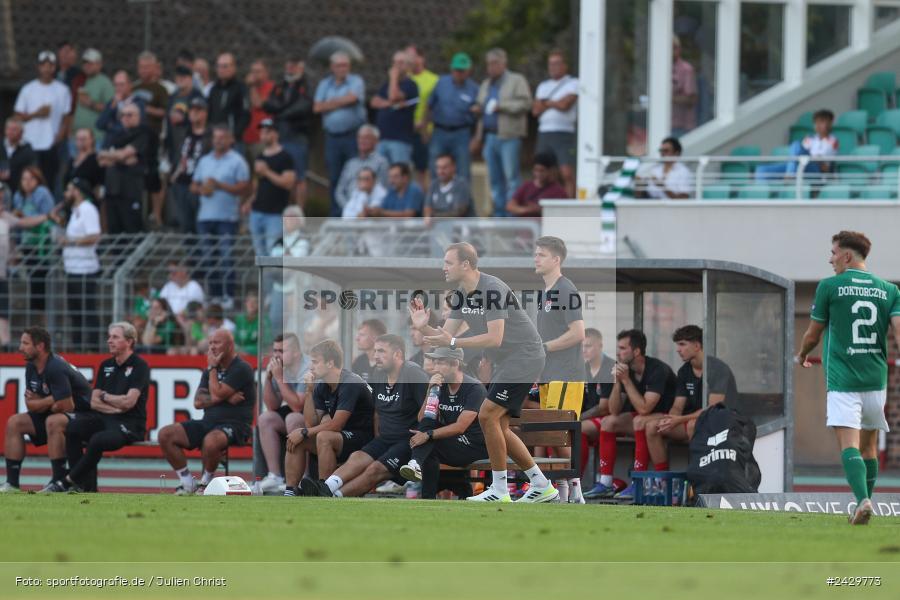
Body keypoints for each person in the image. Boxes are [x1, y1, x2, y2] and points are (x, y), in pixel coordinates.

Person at [409, 242, 556, 502]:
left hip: (525, 356)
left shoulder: (492, 289)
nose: (443, 268)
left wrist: (453, 343)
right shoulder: (460, 294)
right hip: (509, 361)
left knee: (487, 415)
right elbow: (446, 336)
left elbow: (495, 338)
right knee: (498, 423)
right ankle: (541, 484)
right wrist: (423, 328)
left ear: (465, 264)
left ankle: (500, 490)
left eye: (448, 262)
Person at [797, 231, 900, 525]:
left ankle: (862, 500)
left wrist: (802, 354)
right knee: (869, 446)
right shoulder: (889, 290)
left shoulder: (829, 286)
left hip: (843, 380)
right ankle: (864, 503)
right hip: (876, 380)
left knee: (849, 445)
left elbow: (813, 333)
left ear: (846, 256)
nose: (830, 259)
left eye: (833, 253)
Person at [301, 334, 429, 497]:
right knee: (357, 457)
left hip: (407, 441)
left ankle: (334, 496)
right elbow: (377, 411)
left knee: (374, 469)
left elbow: (428, 410)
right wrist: (377, 436)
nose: (376, 356)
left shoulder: (412, 373)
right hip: (384, 439)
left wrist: (425, 437)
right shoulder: (378, 373)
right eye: (375, 351)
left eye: (381, 351)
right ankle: (325, 487)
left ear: (397, 354)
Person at [45, 322, 150, 492]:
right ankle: (84, 487)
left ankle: (68, 481)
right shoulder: (105, 365)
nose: (109, 341)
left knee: (97, 440)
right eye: (109, 337)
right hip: (105, 418)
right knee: (73, 429)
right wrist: (115, 406)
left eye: (115, 337)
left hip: (130, 424)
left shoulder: (140, 366)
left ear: (129, 341)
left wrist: (106, 397)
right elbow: (94, 401)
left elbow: (129, 402)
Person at [158, 329, 255, 494]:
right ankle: (187, 483)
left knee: (211, 441)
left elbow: (215, 394)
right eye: (210, 343)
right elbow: (197, 402)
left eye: (217, 343)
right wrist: (225, 396)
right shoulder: (209, 371)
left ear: (230, 346)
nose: (212, 347)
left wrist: (212, 370)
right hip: (208, 422)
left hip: (236, 425)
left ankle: (205, 483)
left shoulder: (241, 368)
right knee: (165, 434)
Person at [585, 329, 677, 501]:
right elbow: (613, 410)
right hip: (645, 418)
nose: (618, 353)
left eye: (622, 348)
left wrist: (626, 380)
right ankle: (606, 482)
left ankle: (639, 482)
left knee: (640, 420)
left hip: (670, 418)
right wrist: (618, 382)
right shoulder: (627, 371)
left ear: (636, 351)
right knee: (608, 422)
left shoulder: (657, 369)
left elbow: (644, 409)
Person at [1, 327, 92, 493]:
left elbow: (67, 406)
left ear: (40, 346)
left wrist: (45, 402)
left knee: (53, 421)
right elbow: (31, 405)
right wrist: (53, 399)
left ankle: (58, 481)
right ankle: (12, 483)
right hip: (56, 412)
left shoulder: (55, 367)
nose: (20, 347)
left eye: (25, 343)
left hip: (84, 416)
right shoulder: (31, 366)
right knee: (14, 422)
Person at [283, 339, 374, 495]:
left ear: (330, 363)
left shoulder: (350, 383)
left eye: (315, 362)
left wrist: (304, 432)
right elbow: (311, 422)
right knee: (297, 440)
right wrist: (309, 391)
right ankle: (291, 491)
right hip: (342, 436)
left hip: (364, 438)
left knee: (324, 437)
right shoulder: (322, 385)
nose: (310, 367)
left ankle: (324, 489)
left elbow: (336, 425)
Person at [533, 236, 586, 503]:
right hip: (551, 373)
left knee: (559, 433)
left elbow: (578, 333)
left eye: (541, 254)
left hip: (567, 374)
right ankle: (563, 492)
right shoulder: (545, 292)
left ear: (556, 260)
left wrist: (545, 348)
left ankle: (576, 491)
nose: (535, 258)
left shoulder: (566, 289)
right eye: (536, 254)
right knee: (551, 434)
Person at [398, 346, 488, 499]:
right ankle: (418, 468)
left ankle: (424, 485)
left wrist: (427, 435)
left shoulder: (474, 388)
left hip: (474, 444)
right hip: (452, 442)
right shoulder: (440, 386)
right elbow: (422, 418)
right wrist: (430, 389)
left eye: (440, 363)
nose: (435, 368)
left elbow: (461, 427)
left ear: (455, 364)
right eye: (435, 362)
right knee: (426, 438)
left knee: (427, 443)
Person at [645, 325, 738, 472]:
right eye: (677, 345)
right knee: (652, 427)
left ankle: (697, 476)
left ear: (697, 346)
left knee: (692, 425)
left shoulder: (717, 369)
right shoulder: (684, 371)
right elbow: (677, 406)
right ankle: (662, 480)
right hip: (696, 420)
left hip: (724, 423)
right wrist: (670, 419)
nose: (678, 349)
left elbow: (712, 410)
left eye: (682, 344)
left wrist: (680, 420)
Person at [190, 125, 250, 305]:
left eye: (222, 137)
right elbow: (193, 185)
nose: (218, 140)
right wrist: (203, 190)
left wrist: (219, 185)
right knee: (208, 258)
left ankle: (228, 295)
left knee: (226, 257)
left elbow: (244, 187)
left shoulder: (237, 161)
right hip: (205, 217)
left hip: (227, 218)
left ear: (231, 139)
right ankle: (215, 294)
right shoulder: (204, 160)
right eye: (215, 137)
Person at [471, 49, 532, 217]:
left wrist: (502, 106)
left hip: (509, 137)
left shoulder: (516, 80)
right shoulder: (486, 84)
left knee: (511, 177)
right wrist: (478, 111)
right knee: (494, 179)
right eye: (489, 64)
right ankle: (500, 214)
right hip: (490, 136)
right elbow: (481, 107)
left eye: (494, 63)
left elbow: (526, 103)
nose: (491, 67)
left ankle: (513, 214)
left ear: (503, 64)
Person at [314, 51, 366, 215]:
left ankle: (354, 210)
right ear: (332, 67)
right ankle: (336, 213)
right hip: (332, 137)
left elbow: (352, 99)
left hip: (352, 136)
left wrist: (329, 103)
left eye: (345, 65)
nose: (342, 69)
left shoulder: (356, 81)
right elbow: (317, 107)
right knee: (335, 176)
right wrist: (341, 101)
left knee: (354, 175)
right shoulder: (324, 84)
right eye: (339, 65)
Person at [257, 333, 310, 494]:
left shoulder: (307, 367)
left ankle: (303, 478)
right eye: (275, 350)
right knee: (266, 418)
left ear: (296, 352)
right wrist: (268, 378)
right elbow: (272, 405)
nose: (276, 355)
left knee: (293, 418)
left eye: (281, 351)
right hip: (295, 411)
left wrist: (279, 378)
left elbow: (297, 405)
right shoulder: (280, 368)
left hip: (316, 413)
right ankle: (275, 477)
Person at [14, 51, 73, 194]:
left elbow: (67, 116)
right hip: (31, 142)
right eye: (43, 65)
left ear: (54, 67)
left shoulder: (63, 90)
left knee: (51, 180)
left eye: (50, 65)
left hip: (52, 143)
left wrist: (61, 134)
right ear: (38, 67)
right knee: (30, 179)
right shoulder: (28, 89)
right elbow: (18, 116)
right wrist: (37, 114)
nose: (47, 69)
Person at [263, 56, 314, 207]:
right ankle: (283, 208)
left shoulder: (306, 86)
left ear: (301, 67)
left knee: (298, 177)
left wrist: (281, 112)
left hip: (297, 136)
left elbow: (303, 107)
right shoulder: (280, 86)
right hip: (280, 136)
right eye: (289, 66)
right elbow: (269, 104)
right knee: (281, 175)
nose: (291, 69)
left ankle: (299, 212)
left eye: (294, 65)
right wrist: (284, 110)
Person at [59, 178, 101, 350]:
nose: (65, 194)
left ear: (77, 191)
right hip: (72, 269)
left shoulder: (88, 209)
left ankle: (92, 348)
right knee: (75, 312)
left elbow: (94, 236)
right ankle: (77, 347)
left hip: (84, 269)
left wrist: (70, 242)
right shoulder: (75, 211)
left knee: (87, 311)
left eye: (69, 189)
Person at [425, 53, 478, 182]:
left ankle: (462, 201)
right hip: (439, 132)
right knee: (435, 169)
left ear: (468, 71)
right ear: (452, 69)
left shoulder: (474, 88)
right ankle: (435, 200)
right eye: (457, 70)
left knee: (463, 172)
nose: (459, 73)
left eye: (462, 70)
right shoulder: (441, 83)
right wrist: (425, 128)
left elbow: (480, 117)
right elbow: (429, 106)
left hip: (462, 133)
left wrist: (477, 137)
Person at [245, 118, 295, 257]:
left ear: (276, 134)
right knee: (260, 253)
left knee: (273, 251)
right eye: (262, 132)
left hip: (275, 213)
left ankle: (275, 279)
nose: (264, 135)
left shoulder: (285, 157)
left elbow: (288, 183)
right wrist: (250, 201)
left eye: (268, 131)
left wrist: (267, 171)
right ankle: (265, 279)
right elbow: (258, 184)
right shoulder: (260, 157)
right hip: (257, 211)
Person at [533, 49, 578, 198]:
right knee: (544, 172)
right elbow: (536, 110)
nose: (553, 67)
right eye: (551, 64)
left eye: (557, 64)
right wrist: (555, 102)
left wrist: (547, 102)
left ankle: (570, 206)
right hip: (544, 132)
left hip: (564, 133)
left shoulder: (573, 83)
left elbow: (565, 105)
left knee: (566, 172)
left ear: (565, 66)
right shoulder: (543, 86)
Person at [97, 103, 149, 233]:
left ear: (139, 116)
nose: (125, 118)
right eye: (122, 115)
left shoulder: (142, 133)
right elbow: (101, 160)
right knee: (114, 229)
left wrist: (113, 156)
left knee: (131, 228)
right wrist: (120, 158)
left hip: (130, 189)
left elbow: (123, 155)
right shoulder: (114, 135)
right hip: (112, 189)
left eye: (129, 115)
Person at [756, 109, 838, 182]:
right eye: (816, 122)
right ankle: (766, 195)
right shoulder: (810, 139)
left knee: (796, 145)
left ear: (830, 123)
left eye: (822, 122)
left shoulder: (832, 141)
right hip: (800, 165)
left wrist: (810, 157)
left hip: (816, 170)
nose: (818, 125)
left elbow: (824, 166)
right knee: (762, 170)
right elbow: (798, 154)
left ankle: (790, 176)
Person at [579, 328, 615, 493]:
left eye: (588, 346)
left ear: (600, 346)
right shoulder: (582, 368)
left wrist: (577, 418)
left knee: (576, 427)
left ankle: (575, 481)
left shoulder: (610, 367)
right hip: (590, 420)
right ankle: (562, 480)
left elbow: (604, 408)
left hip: (612, 418)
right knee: (561, 426)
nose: (584, 350)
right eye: (582, 346)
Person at [169, 97, 211, 233]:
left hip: (200, 184)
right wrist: (173, 174)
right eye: (192, 110)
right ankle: (191, 254)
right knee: (185, 224)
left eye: (198, 110)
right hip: (182, 182)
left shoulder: (211, 135)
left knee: (201, 223)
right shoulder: (183, 132)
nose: (194, 113)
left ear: (205, 113)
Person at [371, 50, 419, 166]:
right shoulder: (386, 85)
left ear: (408, 66)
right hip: (382, 139)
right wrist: (389, 103)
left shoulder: (411, 85)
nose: (396, 66)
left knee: (398, 175)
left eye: (401, 62)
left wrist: (393, 77)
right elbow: (374, 102)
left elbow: (393, 96)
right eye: (394, 62)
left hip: (400, 140)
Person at [334, 125, 390, 214]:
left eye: (366, 138)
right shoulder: (350, 164)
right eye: (360, 137)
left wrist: (366, 210)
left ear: (376, 141)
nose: (362, 141)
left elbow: (382, 190)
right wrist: (349, 207)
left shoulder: (382, 162)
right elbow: (339, 191)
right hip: (349, 209)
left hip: (370, 212)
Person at [71, 49, 114, 151]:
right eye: (85, 63)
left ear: (99, 64)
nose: (87, 66)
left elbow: (111, 108)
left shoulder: (105, 83)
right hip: (76, 137)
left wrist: (91, 104)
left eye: (90, 63)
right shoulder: (80, 80)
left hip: (96, 138)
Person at [506, 152, 567, 217]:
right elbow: (510, 206)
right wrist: (527, 210)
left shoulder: (559, 191)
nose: (538, 174)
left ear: (550, 171)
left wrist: (541, 210)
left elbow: (563, 213)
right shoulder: (527, 186)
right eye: (536, 170)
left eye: (542, 171)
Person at [95, 70, 146, 146]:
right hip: (109, 147)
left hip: (127, 148)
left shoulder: (138, 103)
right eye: (116, 85)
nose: (118, 88)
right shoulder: (112, 102)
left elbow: (131, 128)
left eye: (121, 84)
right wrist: (112, 106)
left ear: (130, 85)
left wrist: (110, 127)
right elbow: (100, 124)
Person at [207, 53, 250, 142]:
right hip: (215, 139)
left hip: (233, 140)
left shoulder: (241, 88)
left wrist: (234, 134)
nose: (221, 70)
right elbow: (209, 113)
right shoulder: (213, 89)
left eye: (225, 66)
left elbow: (245, 115)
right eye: (219, 66)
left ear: (233, 68)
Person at [423, 154, 472, 224]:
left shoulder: (461, 185)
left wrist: (434, 217)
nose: (441, 171)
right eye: (438, 168)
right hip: (440, 229)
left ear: (453, 167)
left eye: (444, 168)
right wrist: (428, 216)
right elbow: (427, 207)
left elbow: (459, 212)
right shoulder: (433, 185)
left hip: (461, 229)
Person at [242, 59, 274, 156]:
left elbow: (258, 104)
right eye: (253, 71)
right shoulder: (245, 88)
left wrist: (252, 86)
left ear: (266, 73)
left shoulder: (272, 87)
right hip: (246, 137)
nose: (254, 75)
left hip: (261, 138)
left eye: (258, 71)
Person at [1, 117, 37, 194]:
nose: (10, 132)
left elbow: (31, 171)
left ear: (22, 132)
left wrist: (10, 173)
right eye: (8, 129)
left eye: (14, 130)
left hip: (19, 191)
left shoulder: (27, 150)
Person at [63, 128, 103, 196]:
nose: (80, 141)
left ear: (91, 140)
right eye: (78, 139)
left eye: (84, 139)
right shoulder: (72, 160)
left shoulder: (97, 159)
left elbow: (99, 185)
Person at [671, 37, 698, 137]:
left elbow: (692, 99)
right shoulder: (658, 68)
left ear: (679, 49)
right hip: (660, 123)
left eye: (674, 47)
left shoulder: (686, 69)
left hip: (681, 126)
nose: (671, 51)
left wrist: (667, 97)